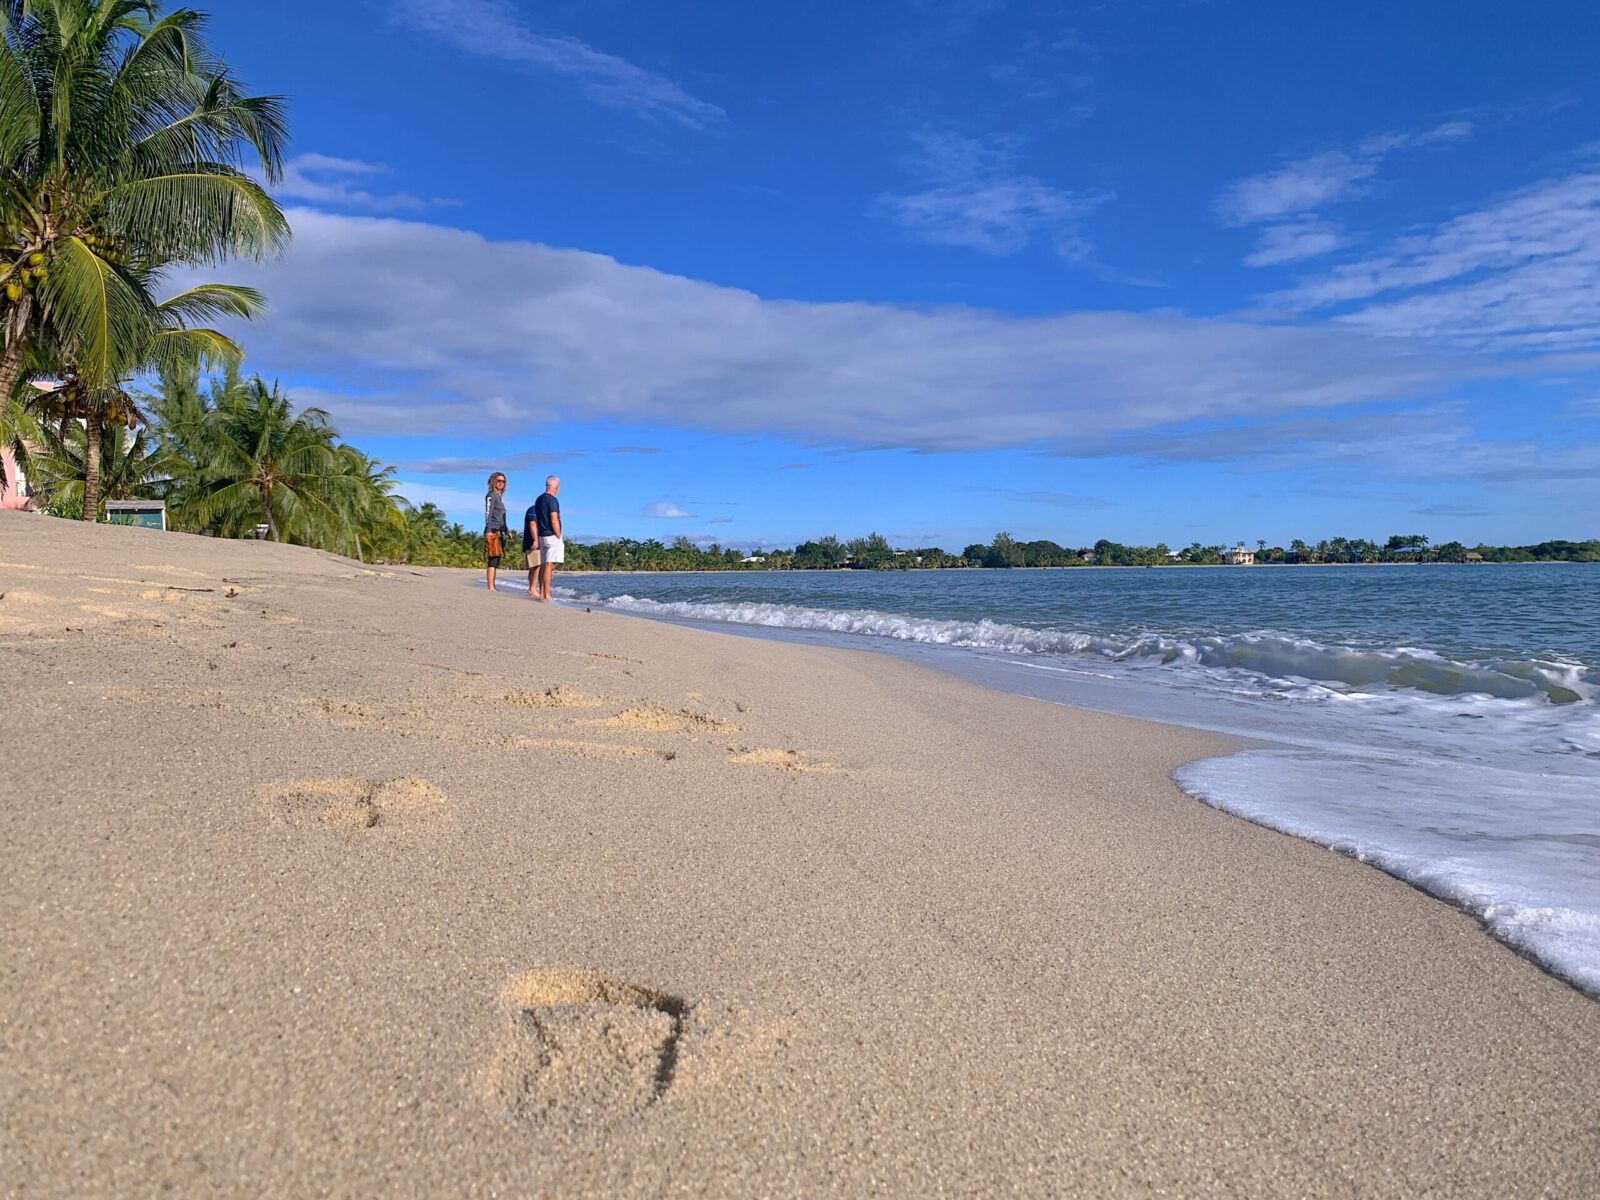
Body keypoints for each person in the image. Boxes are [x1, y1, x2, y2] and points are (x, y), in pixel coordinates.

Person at [532, 475, 563, 602]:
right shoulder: (552, 500)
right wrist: (559, 535)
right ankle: (546, 594)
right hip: (551, 535)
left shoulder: (539, 499)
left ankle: (543, 592)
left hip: (542, 535)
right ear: (556, 487)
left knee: (545, 564)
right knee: (549, 565)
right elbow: (554, 519)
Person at [483, 472, 509, 591]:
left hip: (499, 531)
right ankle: (491, 586)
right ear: (493, 481)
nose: (501, 483)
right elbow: (488, 513)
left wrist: (507, 531)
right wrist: (488, 531)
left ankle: (493, 584)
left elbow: (502, 518)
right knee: (492, 558)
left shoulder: (499, 497)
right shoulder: (491, 495)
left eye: (503, 481)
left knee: (497, 559)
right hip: (492, 530)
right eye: (498, 480)